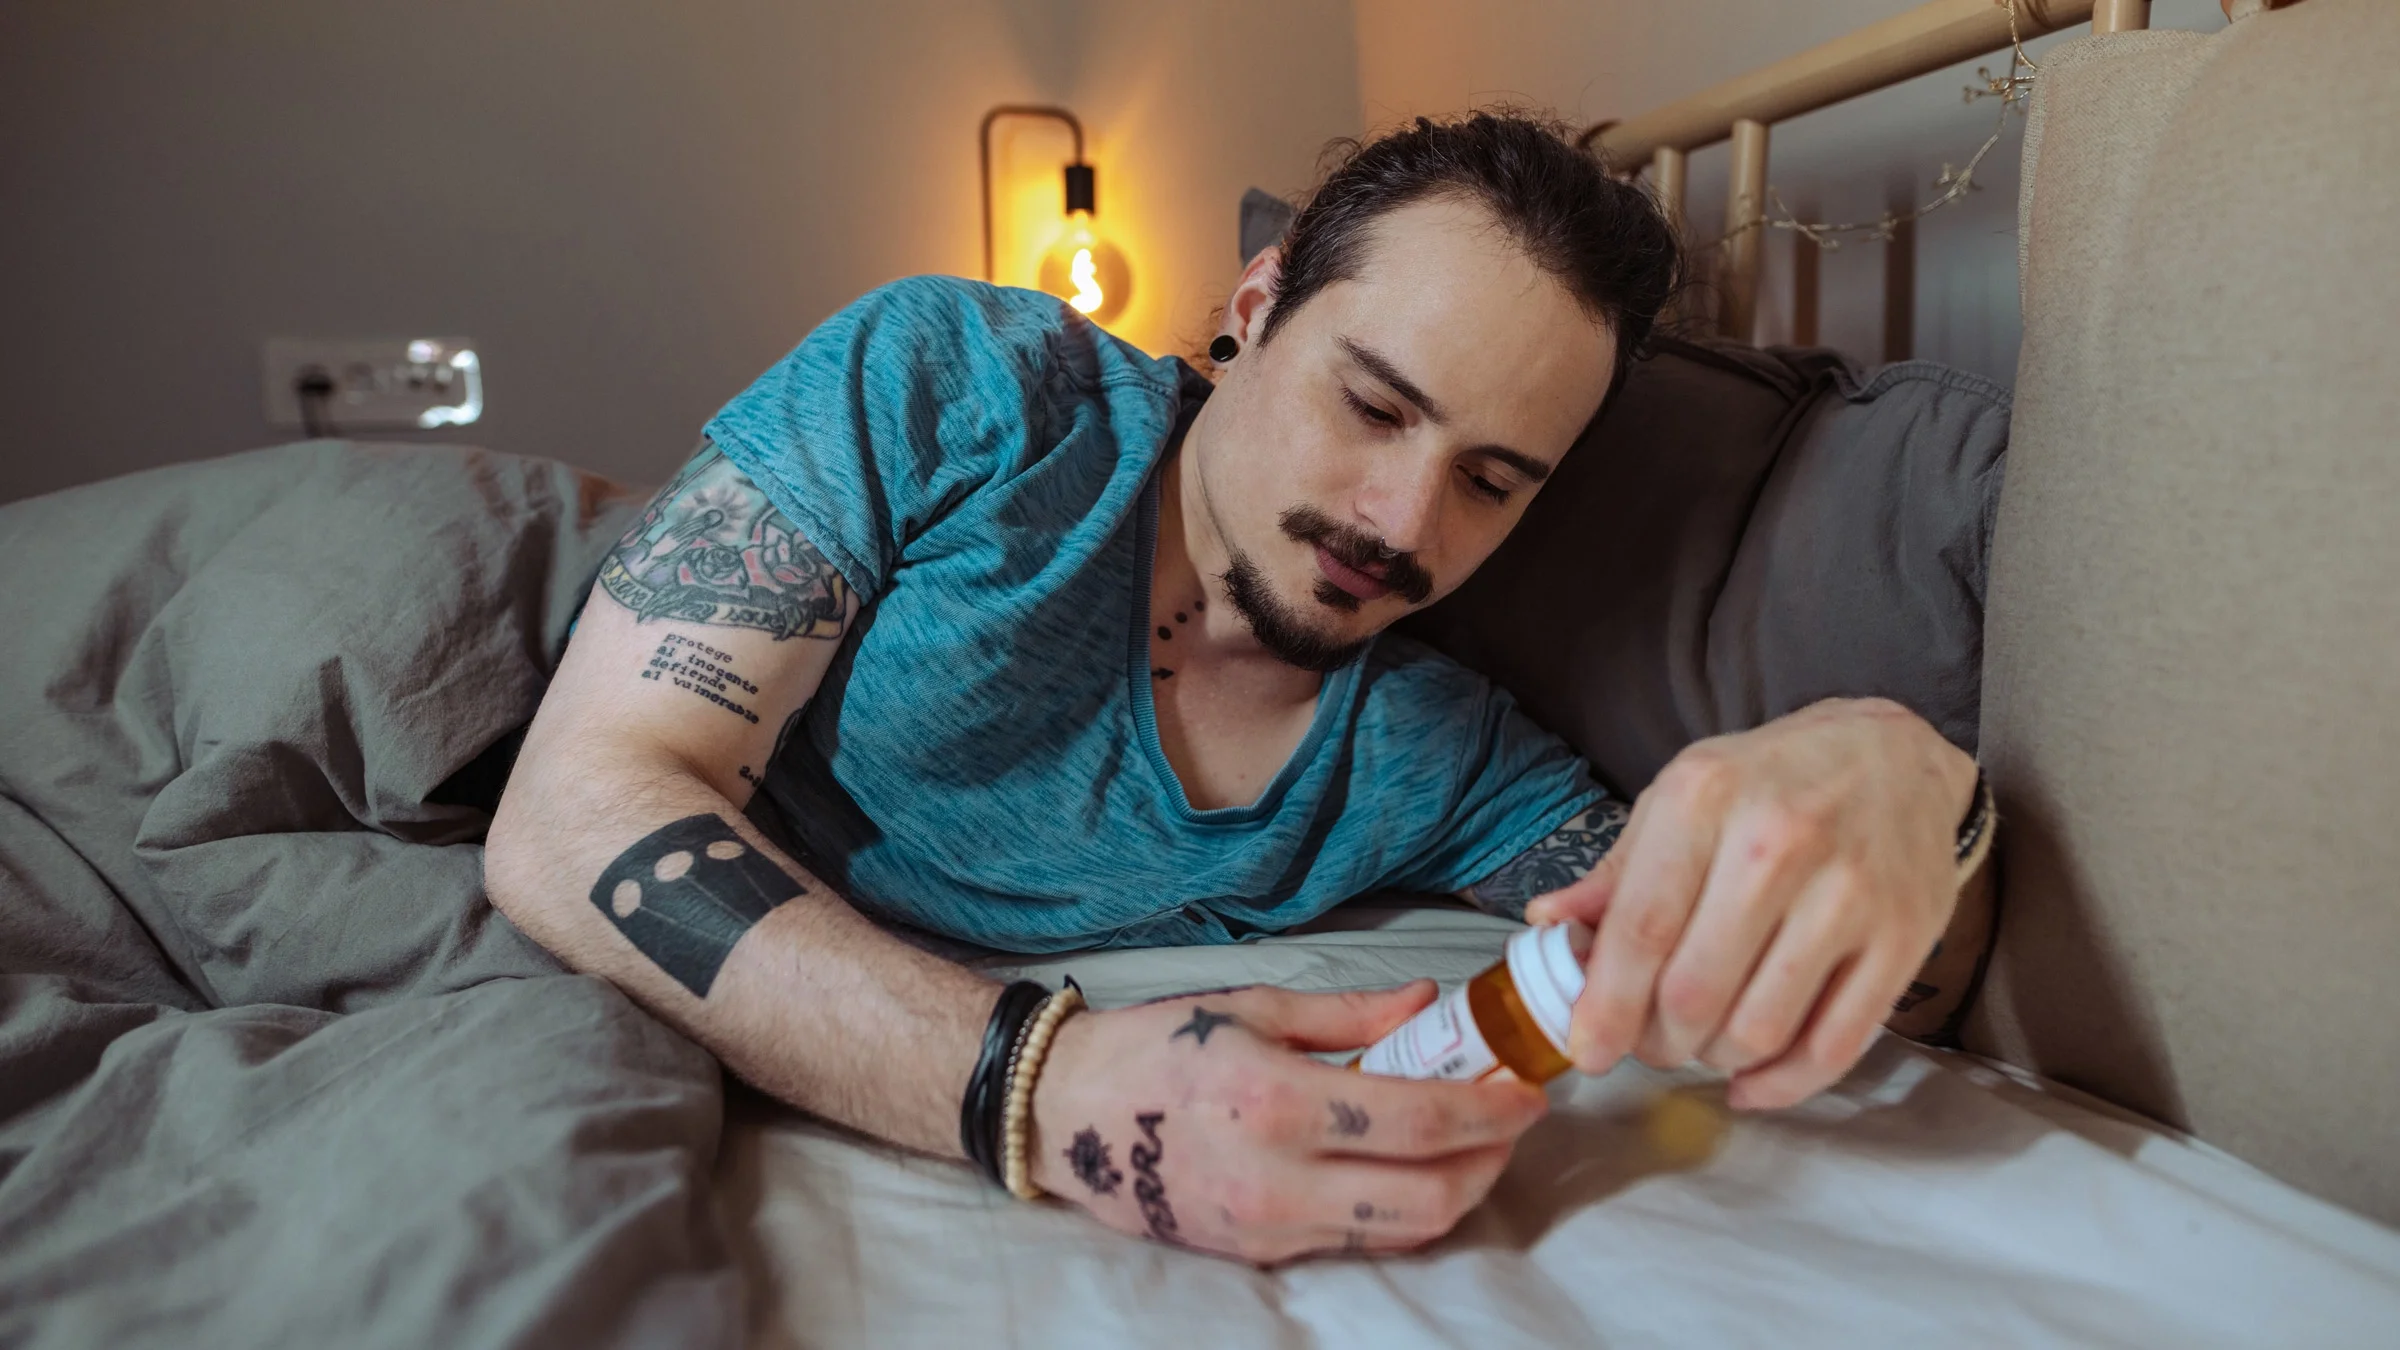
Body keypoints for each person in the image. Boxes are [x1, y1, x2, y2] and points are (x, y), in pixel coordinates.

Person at [485, 111, 1995, 1266]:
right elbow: (574, 812)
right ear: (1259, 304)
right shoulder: (962, 386)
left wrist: (1911, 783)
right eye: (1373, 404)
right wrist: (1042, 1086)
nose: (1400, 523)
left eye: (1489, 480)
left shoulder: (1434, 760)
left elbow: (1836, 975)